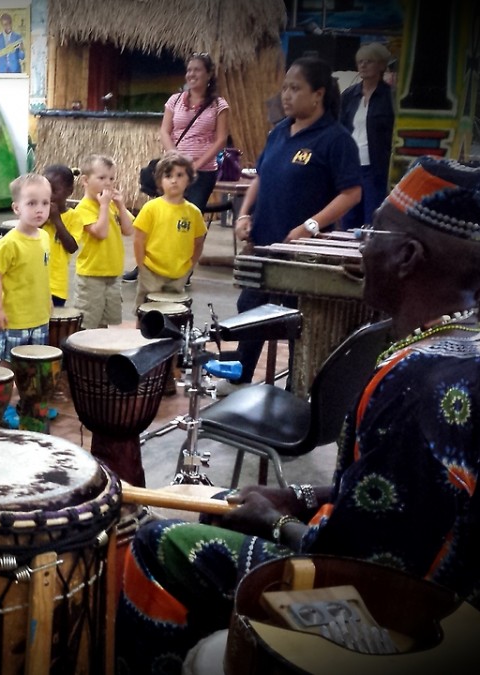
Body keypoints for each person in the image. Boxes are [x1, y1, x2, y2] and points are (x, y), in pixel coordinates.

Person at [115, 155, 480, 672]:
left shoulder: (418, 384)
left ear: (406, 257)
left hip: (395, 614)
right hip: (431, 585)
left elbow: (358, 561)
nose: (360, 246)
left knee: (162, 544)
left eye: (373, 232)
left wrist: (279, 521)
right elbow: (388, 493)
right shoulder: (461, 344)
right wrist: (299, 496)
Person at [225, 56, 361, 394]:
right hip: (263, 245)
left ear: (318, 94)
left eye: (295, 88)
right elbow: (261, 176)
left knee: (298, 321)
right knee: (250, 310)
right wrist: (244, 214)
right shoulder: (279, 133)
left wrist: (310, 226)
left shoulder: (335, 139)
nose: (286, 95)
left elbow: (352, 193)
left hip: (303, 253)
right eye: (285, 88)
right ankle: (240, 375)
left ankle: (296, 391)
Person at [125, 53, 229, 283]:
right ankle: (145, 266)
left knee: (187, 221)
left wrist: (196, 165)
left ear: (209, 74)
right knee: (161, 218)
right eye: (189, 70)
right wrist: (175, 156)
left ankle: (183, 270)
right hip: (173, 169)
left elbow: (221, 139)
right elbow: (165, 130)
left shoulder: (219, 105)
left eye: (197, 70)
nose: (191, 74)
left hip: (202, 172)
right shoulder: (175, 100)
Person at [0, 173, 53, 430]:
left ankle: (29, 405)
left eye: (45, 203)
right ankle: (1, 405)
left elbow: (42, 273)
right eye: (32, 203)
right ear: (16, 208)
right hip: (15, 318)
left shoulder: (44, 237)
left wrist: (48, 299)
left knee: (34, 366)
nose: (40, 209)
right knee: (9, 364)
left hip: (39, 317)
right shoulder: (9, 243)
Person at [132, 151, 207, 311]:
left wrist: (189, 267)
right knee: (145, 312)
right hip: (151, 272)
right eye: (168, 176)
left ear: (189, 179)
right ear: (160, 180)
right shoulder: (151, 208)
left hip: (179, 275)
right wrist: (141, 266)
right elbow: (138, 240)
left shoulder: (193, 213)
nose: (174, 180)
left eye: (180, 175)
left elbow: (199, 242)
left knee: (172, 312)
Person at [70, 154, 133, 329]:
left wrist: (121, 206)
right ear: (85, 180)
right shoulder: (83, 208)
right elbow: (101, 233)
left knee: (106, 322)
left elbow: (129, 230)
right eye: (102, 178)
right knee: (88, 321)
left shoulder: (112, 205)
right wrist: (104, 205)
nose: (108, 183)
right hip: (92, 275)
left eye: (111, 178)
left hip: (113, 272)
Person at [340, 42, 396, 229]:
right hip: (351, 164)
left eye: (369, 61)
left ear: (381, 65)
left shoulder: (390, 96)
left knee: (372, 216)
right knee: (348, 217)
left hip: (375, 166)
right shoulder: (349, 95)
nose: (363, 65)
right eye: (360, 61)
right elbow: (340, 127)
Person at [41, 164, 81, 307]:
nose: (49, 196)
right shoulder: (37, 213)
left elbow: (72, 247)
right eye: (45, 190)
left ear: (69, 191)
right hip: (32, 282)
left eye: (54, 191)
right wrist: (42, 218)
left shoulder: (74, 217)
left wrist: (56, 220)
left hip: (56, 286)